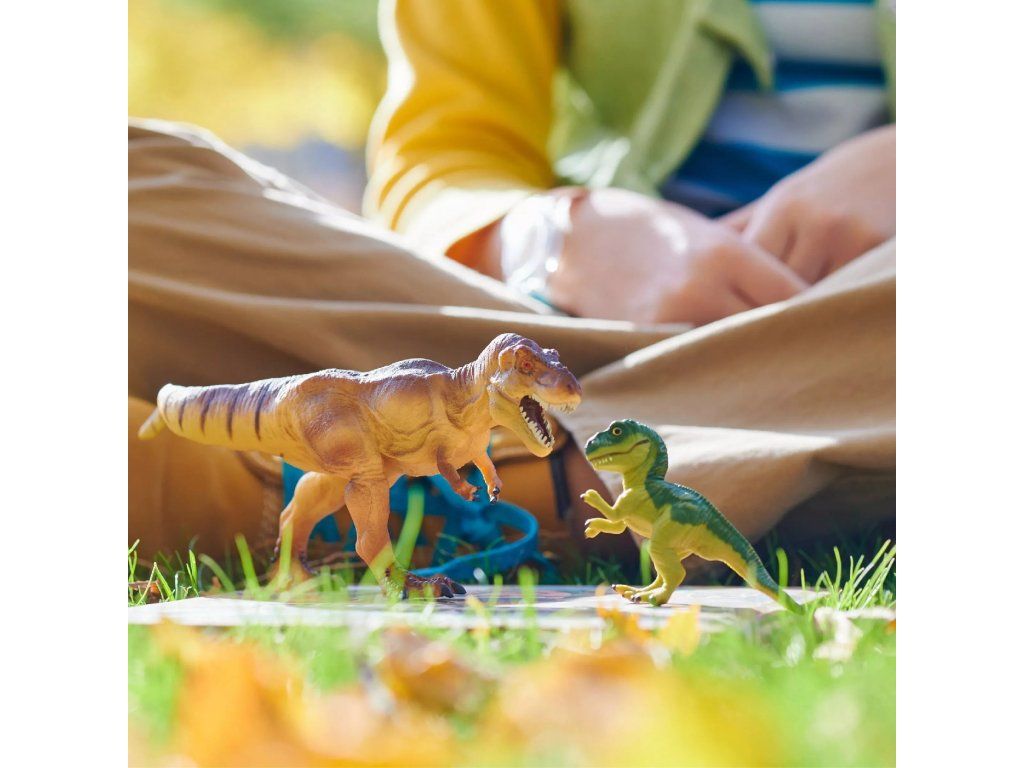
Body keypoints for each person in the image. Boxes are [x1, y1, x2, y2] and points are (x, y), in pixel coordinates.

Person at [128, 0, 895, 574]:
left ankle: (374, 499)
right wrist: (554, 235)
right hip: (555, 320)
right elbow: (440, 157)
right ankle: (745, 439)